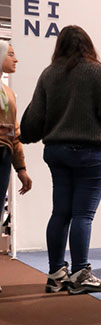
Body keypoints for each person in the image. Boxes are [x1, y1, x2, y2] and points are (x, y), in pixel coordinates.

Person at [20, 26, 101, 294]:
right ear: (88, 45)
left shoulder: (48, 74)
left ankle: (56, 275)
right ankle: (80, 273)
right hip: (91, 152)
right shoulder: (96, 71)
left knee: (60, 212)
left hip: (57, 152)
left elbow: (33, 120)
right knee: (83, 215)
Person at [0, 41, 33, 294]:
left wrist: (21, 168)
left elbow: (15, 133)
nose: (16, 59)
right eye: (10, 54)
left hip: (4, 156)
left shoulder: (9, 93)